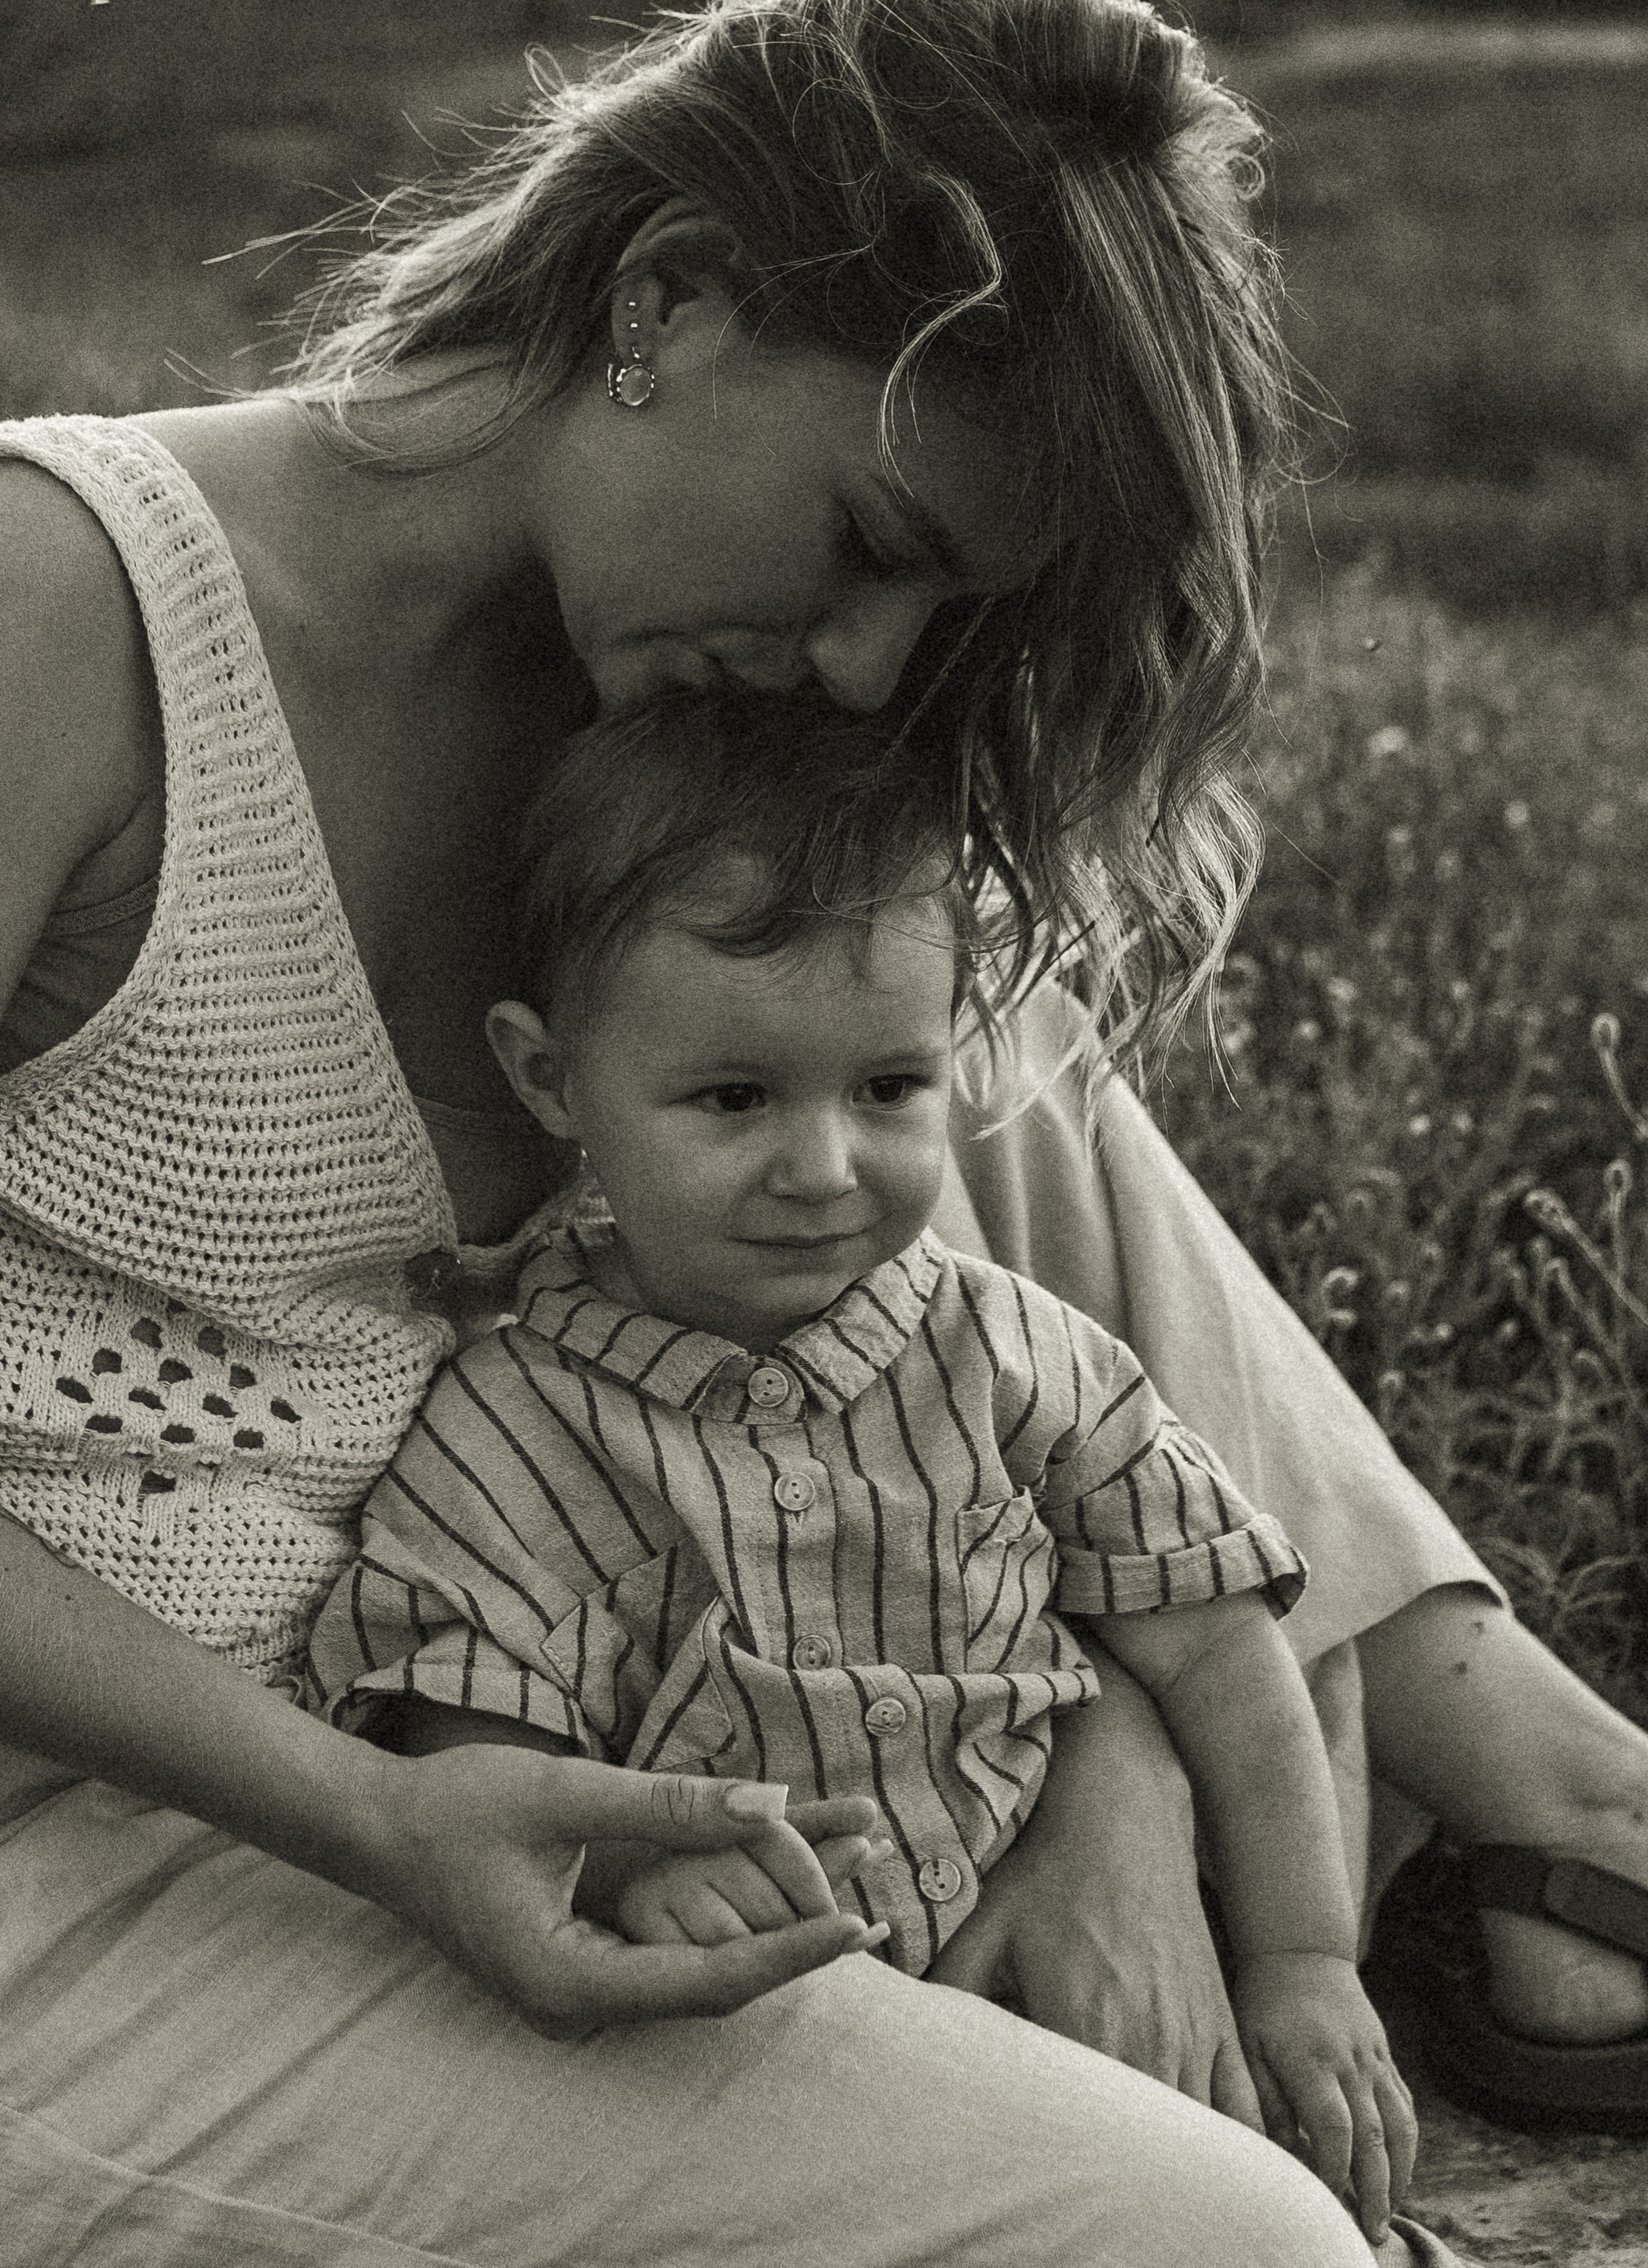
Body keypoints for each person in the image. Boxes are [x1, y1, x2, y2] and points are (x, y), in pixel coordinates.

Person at [0, 0, 1648, 2268]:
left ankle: (1546, 1820)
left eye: (941, 616)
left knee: (931, 1062)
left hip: (497, 1750)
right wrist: (370, 1816)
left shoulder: (671, 749)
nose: (867, 666)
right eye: (870, 548)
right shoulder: (29, 601)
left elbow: (944, 1362)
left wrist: (1092, 1770)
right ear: (666, 301)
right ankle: (1554, 1846)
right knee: (1223, 2257)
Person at [312, 688, 1422, 2243]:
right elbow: (461, 1744)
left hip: (1067, 1986)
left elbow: (1228, 1662)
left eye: (885, 1089)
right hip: (755, 2055)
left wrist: (1302, 1963)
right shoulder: (515, 1431)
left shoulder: (1016, 1360)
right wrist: (628, 1859)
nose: (822, 1169)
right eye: (730, 1099)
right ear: (551, 1078)